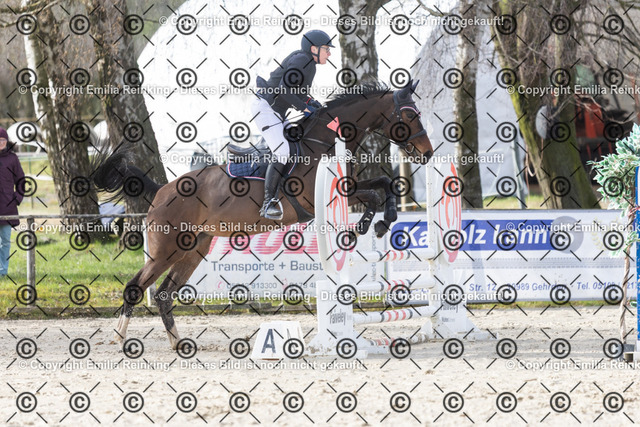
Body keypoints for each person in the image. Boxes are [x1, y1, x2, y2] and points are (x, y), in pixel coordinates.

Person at [253, 29, 334, 220]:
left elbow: (297, 93)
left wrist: (311, 103)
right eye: (326, 49)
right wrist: (304, 108)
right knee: (282, 151)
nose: (329, 53)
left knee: (298, 141)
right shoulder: (301, 60)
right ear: (314, 49)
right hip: (266, 109)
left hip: (277, 112)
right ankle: (268, 202)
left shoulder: (308, 64)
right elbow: (284, 90)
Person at [0, 127, 25, 277]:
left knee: (5, 241)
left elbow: (21, 180)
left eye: (3, 140)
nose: (1, 143)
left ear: (6, 141)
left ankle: (2, 272)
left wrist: (17, 198)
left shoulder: (12, 158)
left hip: (7, 207)